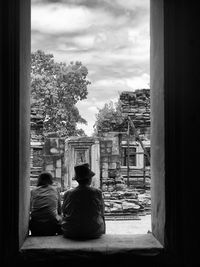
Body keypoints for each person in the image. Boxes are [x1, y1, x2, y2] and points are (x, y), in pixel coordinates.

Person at [61, 163, 105, 239]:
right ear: (89, 179)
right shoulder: (97, 192)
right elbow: (102, 212)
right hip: (94, 231)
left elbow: (64, 212)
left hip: (71, 231)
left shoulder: (68, 193)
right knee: (102, 217)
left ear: (77, 180)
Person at [29, 171, 62, 236]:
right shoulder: (55, 190)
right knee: (60, 217)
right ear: (51, 180)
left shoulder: (33, 191)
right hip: (52, 224)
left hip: (35, 224)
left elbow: (30, 209)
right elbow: (59, 210)